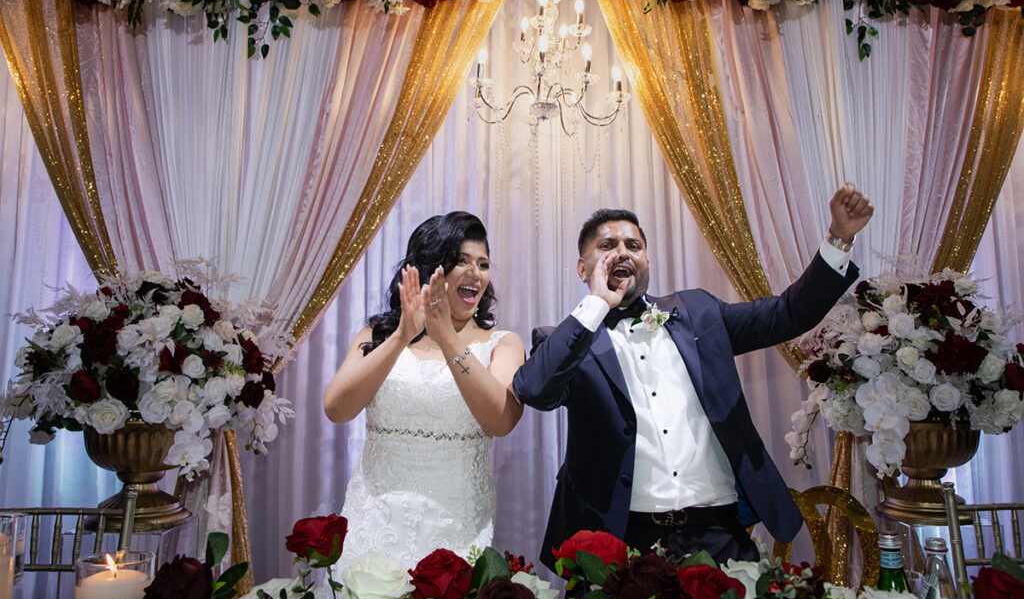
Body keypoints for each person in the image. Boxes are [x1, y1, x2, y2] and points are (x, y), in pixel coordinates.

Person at [513, 183, 874, 569]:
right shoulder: (565, 342)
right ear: (583, 269)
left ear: (647, 261)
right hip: (622, 540)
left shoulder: (699, 310)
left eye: (633, 246)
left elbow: (787, 314)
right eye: (607, 246)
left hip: (719, 534)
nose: (622, 252)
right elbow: (533, 389)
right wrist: (598, 304)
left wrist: (839, 239)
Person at [323, 211, 525, 572]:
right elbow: (337, 409)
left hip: (456, 527)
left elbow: (501, 419)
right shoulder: (377, 335)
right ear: (431, 267)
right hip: (373, 521)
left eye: (483, 264)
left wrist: (447, 336)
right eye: (461, 261)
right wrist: (402, 336)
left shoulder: (502, 344)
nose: (475, 274)